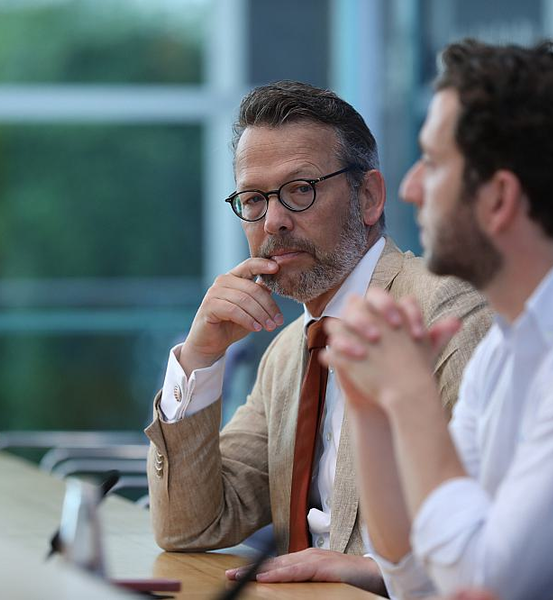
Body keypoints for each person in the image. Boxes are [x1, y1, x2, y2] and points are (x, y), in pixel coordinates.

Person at [322, 37, 553, 599]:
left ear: (498, 199)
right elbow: (416, 578)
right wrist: (371, 407)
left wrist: (408, 394)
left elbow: (486, 583)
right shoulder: (509, 342)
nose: (409, 188)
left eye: (432, 161)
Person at [143, 80, 491, 594]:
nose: (275, 221)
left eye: (300, 190)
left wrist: (378, 573)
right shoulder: (290, 350)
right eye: (254, 199)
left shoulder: (445, 312)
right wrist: (200, 358)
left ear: (369, 197)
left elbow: (496, 536)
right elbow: (190, 525)